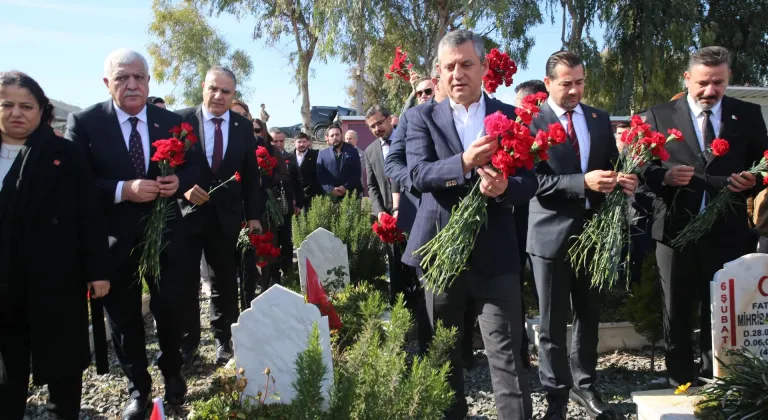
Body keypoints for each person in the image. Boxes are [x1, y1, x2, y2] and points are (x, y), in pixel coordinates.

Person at [404, 29, 536, 420]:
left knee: (509, 359)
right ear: (440, 74)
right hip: (440, 254)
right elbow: (416, 174)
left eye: (466, 64)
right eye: (449, 67)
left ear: (483, 68)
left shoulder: (510, 117)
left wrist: (505, 186)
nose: (457, 73)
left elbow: (532, 180)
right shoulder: (420, 117)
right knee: (443, 358)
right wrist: (463, 163)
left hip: (496, 258)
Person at [66, 49, 195, 419]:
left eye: (139, 76)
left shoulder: (171, 122)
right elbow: (79, 183)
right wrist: (124, 189)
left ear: (149, 81)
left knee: (170, 307)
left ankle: (172, 370)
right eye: (122, 78)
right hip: (113, 239)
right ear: (108, 83)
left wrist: (179, 181)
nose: (132, 84)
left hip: (166, 237)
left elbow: (196, 166)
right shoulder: (85, 123)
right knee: (123, 318)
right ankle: (138, 387)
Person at [643, 46, 768, 387]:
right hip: (674, 230)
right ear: (687, 78)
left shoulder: (749, 115)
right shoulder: (658, 116)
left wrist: (753, 180)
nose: (710, 91)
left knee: (723, 310)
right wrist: (664, 178)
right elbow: (642, 171)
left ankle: (721, 376)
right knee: (677, 309)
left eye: (719, 82)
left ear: (729, 79)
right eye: (702, 83)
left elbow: (765, 164)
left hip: (728, 232)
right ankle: (680, 378)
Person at [527, 51, 633, 420]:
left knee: (589, 318)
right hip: (551, 236)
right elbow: (530, 182)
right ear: (548, 84)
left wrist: (623, 178)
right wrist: (580, 183)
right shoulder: (529, 123)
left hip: (595, 235)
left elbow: (608, 167)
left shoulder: (598, 119)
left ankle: (585, 387)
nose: (575, 90)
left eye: (580, 82)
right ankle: (555, 398)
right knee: (553, 324)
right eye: (566, 83)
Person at [0, 72, 110, 420]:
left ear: (41, 110)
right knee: (6, 368)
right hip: (3, 280)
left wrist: (97, 271)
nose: (16, 113)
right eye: (7, 104)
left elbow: (89, 215)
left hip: (56, 276)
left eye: (26, 106)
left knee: (62, 363)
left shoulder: (66, 155)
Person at [177, 67, 262, 366]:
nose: (218, 96)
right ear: (203, 87)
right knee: (186, 281)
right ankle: (188, 341)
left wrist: (254, 216)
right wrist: (183, 189)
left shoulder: (241, 126)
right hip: (186, 217)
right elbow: (166, 166)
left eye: (226, 92)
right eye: (213, 89)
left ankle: (223, 337)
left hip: (225, 218)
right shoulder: (181, 121)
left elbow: (252, 176)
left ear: (233, 95)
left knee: (224, 280)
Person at [512, 79, 548, 371]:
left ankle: (552, 361)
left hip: (549, 222)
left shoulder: (554, 130)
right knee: (514, 288)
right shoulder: (515, 130)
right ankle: (521, 354)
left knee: (546, 294)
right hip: (517, 222)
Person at [269, 126, 304, 285]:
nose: (278, 144)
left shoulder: (290, 158)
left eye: (281, 141)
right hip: (268, 207)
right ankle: (272, 274)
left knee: (286, 240)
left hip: (286, 206)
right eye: (275, 141)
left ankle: (288, 271)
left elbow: (297, 183)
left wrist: (299, 203)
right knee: (271, 241)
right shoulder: (263, 156)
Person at [317, 124, 362, 199]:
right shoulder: (322, 154)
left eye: (337, 134)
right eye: (332, 135)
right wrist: (330, 189)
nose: (335, 137)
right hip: (331, 196)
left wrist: (345, 187)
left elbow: (357, 173)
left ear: (341, 135)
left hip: (350, 195)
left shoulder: (353, 151)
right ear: (328, 138)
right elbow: (320, 175)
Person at [294, 132, 322, 206]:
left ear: (308, 142)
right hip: (294, 197)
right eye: (299, 142)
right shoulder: (289, 156)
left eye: (304, 142)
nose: (302, 144)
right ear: (294, 142)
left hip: (312, 196)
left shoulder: (316, 155)